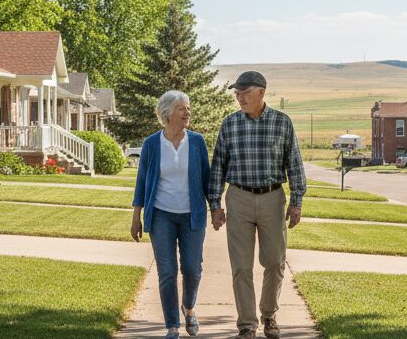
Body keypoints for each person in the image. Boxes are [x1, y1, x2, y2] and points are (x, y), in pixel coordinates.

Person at [208, 71, 306, 339]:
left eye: (244, 92)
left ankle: (269, 315)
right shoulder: (229, 124)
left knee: (274, 261)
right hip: (238, 197)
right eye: (236, 93)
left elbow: (294, 164)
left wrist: (296, 201)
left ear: (261, 93)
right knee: (241, 266)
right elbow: (218, 167)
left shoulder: (282, 122)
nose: (239, 98)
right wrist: (215, 205)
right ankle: (247, 324)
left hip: (272, 198)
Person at [131, 90, 210, 338]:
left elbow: (207, 180)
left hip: (191, 215)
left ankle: (189, 307)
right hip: (161, 214)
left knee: (192, 269)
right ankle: (172, 325)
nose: (188, 112)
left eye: (188, 108)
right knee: (167, 272)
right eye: (182, 108)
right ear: (168, 113)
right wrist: (136, 216)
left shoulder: (196, 142)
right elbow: (142, 182)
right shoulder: (152, 144)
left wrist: (216, 207)